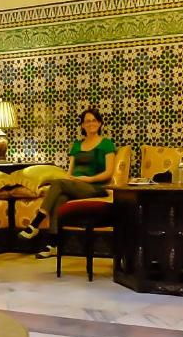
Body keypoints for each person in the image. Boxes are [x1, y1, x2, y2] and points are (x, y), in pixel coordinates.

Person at [19, 107, 116, 259]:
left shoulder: (106, 144)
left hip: (96, 187)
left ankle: (35, 224)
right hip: (75, 185)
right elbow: (69, 172)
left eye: (94, 121)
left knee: (58, 184)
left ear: (100, 123)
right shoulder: (76, 145)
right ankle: (53, 245)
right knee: (58, 199)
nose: (91, 124)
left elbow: (109, 172)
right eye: (87, 121)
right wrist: (71, 179)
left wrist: (87, 179)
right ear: (82, 125)